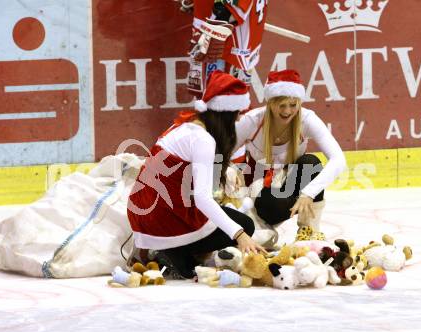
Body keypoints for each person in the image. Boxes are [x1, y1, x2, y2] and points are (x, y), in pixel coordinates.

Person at [127, 71, 266, 279]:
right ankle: (172, 250)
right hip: (163, 217)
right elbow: (202, 199)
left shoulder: (186, 125)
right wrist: (240, 235)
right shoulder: (203, 140)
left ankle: (173, 251)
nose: (238, 118)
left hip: (144, 212)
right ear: (225, 114)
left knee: (228, 220)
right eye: (237, 112)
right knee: (245, 225)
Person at [234, 69, 347, 237]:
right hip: (257, 192)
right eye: (282, 105)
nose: (287, 111)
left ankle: (308, 232)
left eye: (293, 105)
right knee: (271, 208)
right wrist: (232, 172)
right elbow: (220, 154)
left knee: (311, 163)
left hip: (290, 184)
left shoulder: (307, 119)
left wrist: (309, 193)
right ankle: (259, 226)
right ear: (270, 103)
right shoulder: (252, 121)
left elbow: (339, 160)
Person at [184, 0, 268, 96]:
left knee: (216, 99)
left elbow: (230, 12)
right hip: (240, 48)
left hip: (225, 47)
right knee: (227, 99)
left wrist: (209, 34)